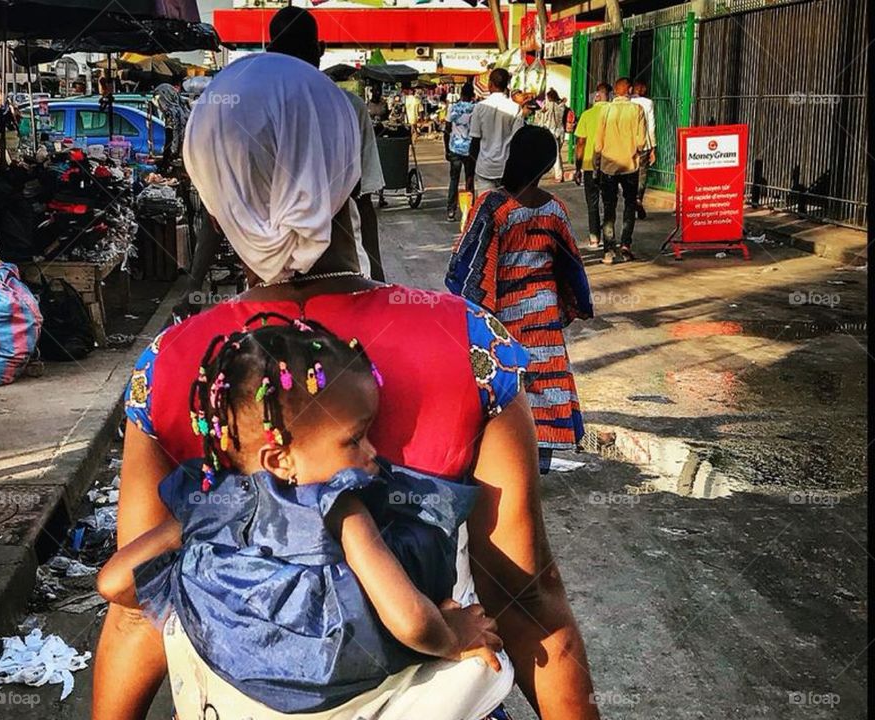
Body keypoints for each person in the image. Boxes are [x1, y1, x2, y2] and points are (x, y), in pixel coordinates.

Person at [93, 51, 599, 720]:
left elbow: (138, 608)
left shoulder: (172, 365)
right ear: (351, 171)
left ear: (214, 196)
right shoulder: (472, 344)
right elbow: (526, 596)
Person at [98, 321, 513, 719]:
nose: (371, 452)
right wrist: (452, 635)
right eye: (355, 438)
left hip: (233, 668)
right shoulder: (341, 506)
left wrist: (201, 573)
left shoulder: (209, 502)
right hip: (330, 670)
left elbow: (113, 582)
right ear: (280, 460)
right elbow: (409, 619)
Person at [446, 126, 593, 472]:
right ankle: (539, 462)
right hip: (543, 316)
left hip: (503, 317)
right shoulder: (555, 210)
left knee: (506, 384)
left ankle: (503, 461)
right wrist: (573, 305)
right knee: (543, 384)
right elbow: (571, 263)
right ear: (545, 166)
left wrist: (472, 311)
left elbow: (467, 262)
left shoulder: (492, 205)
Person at [269, 6, 385, 280]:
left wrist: (194, 283)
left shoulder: (255, 109)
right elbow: (364, 198)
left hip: (274, 272)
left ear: (270, 52)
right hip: (344, 272)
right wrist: (379, 277)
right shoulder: (351, 106)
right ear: (319, 48)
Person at [593, 77, 645, 265]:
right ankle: (625, 245)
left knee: (609, 207)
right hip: (630, 165)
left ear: (615, 91)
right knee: (629, 205)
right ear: (630, 90)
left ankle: (608, 250)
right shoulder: (637, 110)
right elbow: (641, 142)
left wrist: (597, 162)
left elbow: (598, 142)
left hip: (608, 166)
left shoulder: (605, 110)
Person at [469, 68, 524, 197]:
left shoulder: (480, 107)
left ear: (490, 84)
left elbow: (475, 141)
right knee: (506, 211)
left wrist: (470, 173)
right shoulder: (515, 108)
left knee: (486, 210)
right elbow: (518, 140)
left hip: (485, 169)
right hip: (506, 169)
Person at [572, 82, 611, 249]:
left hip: (589, 165)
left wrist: (577, 168)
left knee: (592, 203)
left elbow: (580, 142)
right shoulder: (613, 114)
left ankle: (594, 237)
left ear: (596, 96)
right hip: (610, 165)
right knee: (609, 202)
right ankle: (610, 238)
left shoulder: (587, 115)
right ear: (609, 96)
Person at [444, 83, 476, 222]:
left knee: (454, 179)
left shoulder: (453, 107)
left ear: (461, 94)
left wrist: (446, 149)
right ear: (472, 95)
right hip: (470, 149)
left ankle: (451, 210)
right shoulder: (475, 109)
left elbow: (447, 129)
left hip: (455, 148)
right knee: (469, 180)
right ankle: (471, 210)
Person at [630, 79, 657, 220]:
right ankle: (638, 198)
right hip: (644, 145)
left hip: (628, 145)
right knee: (642, 173)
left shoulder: (627, 103)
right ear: (644, 89)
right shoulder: (648, 103)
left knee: (630, 173)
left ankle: (630, 200)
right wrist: (653, 147)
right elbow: (651, 126)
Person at [153, 82, 190, 173]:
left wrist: (167, 160)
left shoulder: (177, 115)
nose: (159, 103)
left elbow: (172, 142)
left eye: (159, 99)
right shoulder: (174, 113)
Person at [535, 89, 567, 182]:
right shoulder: (561, 105)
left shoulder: (547, 105)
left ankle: (558, 175)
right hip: (560, 131)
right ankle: (559, 174)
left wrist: (541, 111)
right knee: (557, 154)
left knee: (554, 155)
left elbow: (540, 118)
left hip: (550, 131)